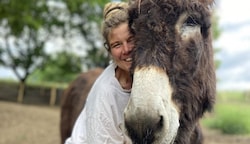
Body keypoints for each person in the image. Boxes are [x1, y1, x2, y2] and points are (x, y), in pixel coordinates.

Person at [65, 1, 134, 144]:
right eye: (117, 45)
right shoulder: (106, 92)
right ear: (108, 50)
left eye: (131, 39)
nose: (126, 49)